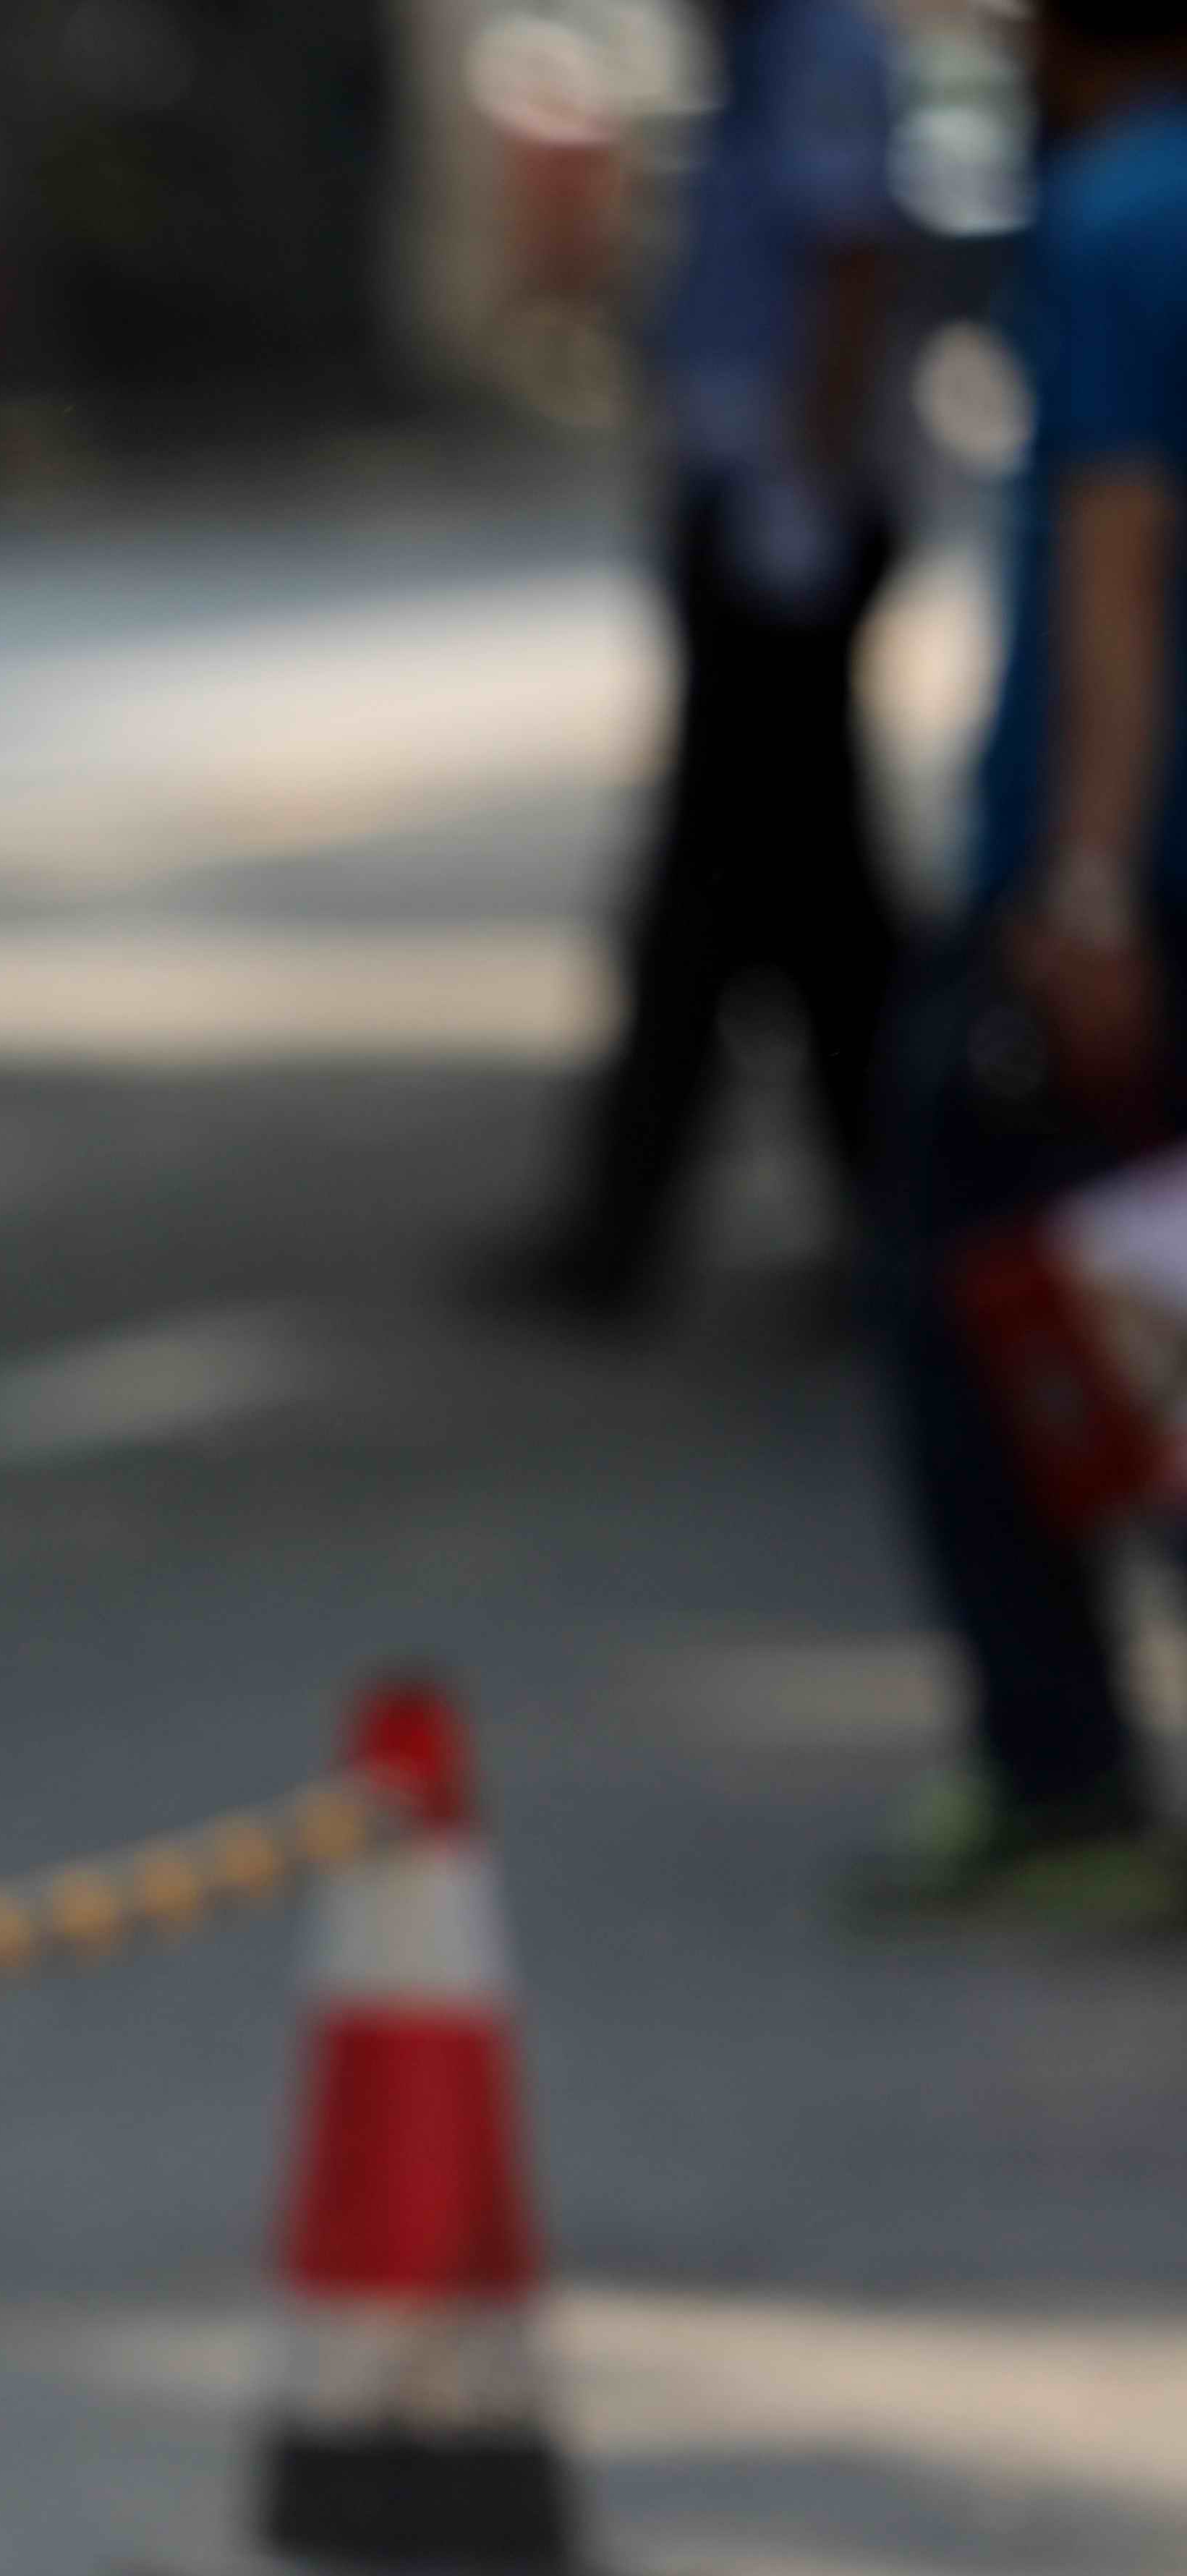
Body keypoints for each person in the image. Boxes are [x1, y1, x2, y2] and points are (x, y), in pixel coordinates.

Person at [860, 0, 1187, 1923]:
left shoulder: (1122, 214)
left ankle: (1059, 1770)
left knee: (964, 1294)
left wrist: (1080, 883)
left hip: (1127, 875)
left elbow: (1120, 553)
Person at [491, 0, 912, 1326]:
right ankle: (707, 1212)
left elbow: (851, 257)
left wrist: (807, 477)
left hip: (785, 515)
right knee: (773, 885)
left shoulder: (826, 45)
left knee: (769, 884)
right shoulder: (744, 56)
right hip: (743, 499)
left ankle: (668, 1218)